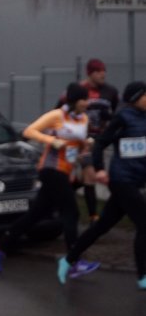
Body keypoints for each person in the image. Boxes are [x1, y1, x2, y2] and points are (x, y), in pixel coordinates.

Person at [0, 83, 99, 277]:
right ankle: (73, 261)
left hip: (65, 170)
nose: (87, 103)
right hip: (51, 169)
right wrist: (51, 141)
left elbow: (77, 148)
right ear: (73, 101)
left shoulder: (84, 119)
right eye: (83, 100)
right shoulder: (56, 116)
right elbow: (29, 131)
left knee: (36, 215)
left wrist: (86, 146)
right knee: (71, 212)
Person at [58, 81, 146, 289]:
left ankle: (68, 259)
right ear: (135, 98)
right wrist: (98, 168)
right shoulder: (123, 117)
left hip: (135, 180)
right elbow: (100, 143)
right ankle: (143, 276)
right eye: (145, 95)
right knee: (144, 224)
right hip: (121, 180)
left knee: (102, 226)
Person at [57, 58, 120, 221]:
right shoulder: (78, 90)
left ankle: (64, 192)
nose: (103, 74)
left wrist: (110, 119)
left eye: (104, 71)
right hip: (79, 139)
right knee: (91, 174)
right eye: (98, 71)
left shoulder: (110, 91)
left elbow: (117, 112)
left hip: (98, 141)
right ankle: (93, 216)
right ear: (90, 73)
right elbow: (59, 110)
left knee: (86, 176)